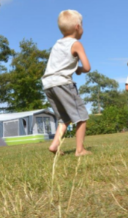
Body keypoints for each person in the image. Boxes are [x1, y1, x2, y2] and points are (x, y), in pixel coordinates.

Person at [42, 10, 91, 156]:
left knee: (64, 119)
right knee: (81, 116)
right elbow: (87, 67)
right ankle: (80, 150)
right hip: (62, 83)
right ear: (78, 27)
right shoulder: (76, 44)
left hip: (48, 84)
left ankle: (54, 145)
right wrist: (80, 70)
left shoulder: (57, 44)